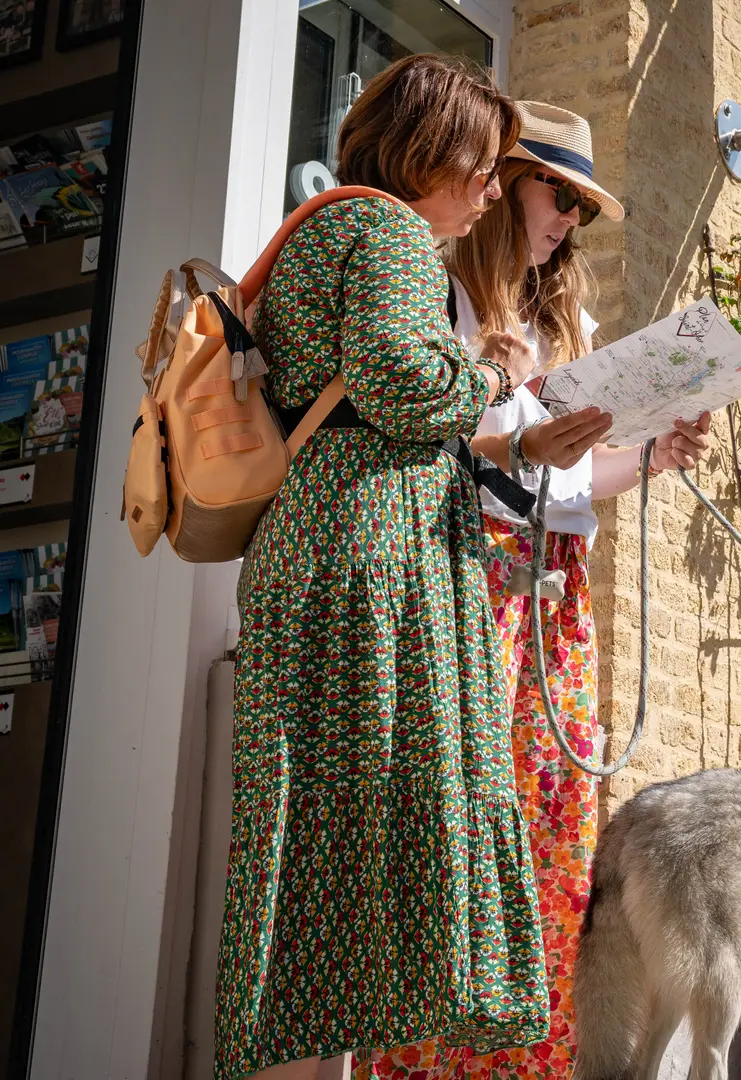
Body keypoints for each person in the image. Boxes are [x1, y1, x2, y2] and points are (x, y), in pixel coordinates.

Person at [355, 101, 710, 1079]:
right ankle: (422, 1062)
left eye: (581, 211)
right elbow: (406, 435)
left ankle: (526, 1061)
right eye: (560, 196)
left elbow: (571, 476)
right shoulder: (432, 287)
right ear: (508, 184)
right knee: (454, 817)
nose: (569, 223)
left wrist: (649, 457)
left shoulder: (563, 319)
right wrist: (484, 384)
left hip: (550, 594)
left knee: (549, 823)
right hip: (458, 570)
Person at [216, 55, 547, 1080]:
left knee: (321, 831)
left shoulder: (325, 231)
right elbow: (403, 381)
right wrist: (497, 369)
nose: (491, 192)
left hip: (323, 542)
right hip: (370, 560)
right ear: (433, 151)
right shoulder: (391, 230)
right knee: (371, 825)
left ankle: (294, 1051)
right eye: (484, 169)